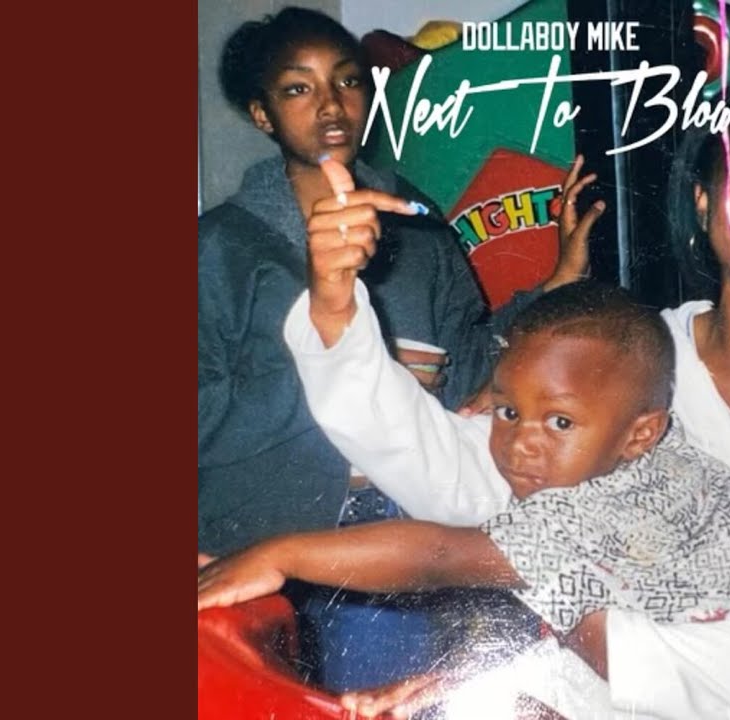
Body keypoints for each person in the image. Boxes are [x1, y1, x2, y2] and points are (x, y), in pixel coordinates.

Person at [285, 68, 730, 719]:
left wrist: (608, 650)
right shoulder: (630, 359)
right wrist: (335, 305)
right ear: (703, 200)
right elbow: (462, 474)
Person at [197, 6, 602, 692]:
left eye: (348, 81)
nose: (331, 104)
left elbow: (470, 366)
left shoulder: (415, 226)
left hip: (396, 530)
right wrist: (340, 364)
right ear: (262, 114)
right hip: (260, 531)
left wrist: (557, 284)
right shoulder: (219, 246)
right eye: (298, 88)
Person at [201, 280, 730, 717]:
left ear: (640, 433)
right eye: (509, 412)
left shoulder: (629, 499)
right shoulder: (648, 461)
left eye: (560, 423)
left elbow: (441, 555)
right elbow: (580, 629)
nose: (521, 443)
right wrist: (446, 686)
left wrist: (277, 555)